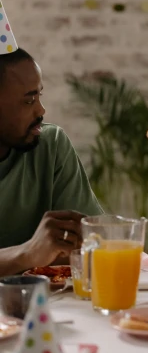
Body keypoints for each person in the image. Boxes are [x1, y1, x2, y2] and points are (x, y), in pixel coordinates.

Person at [0, 44, 102, 276]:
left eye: (39, 95)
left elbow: (91, 247)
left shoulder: (51, 146)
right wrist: (27, 253)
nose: (41, 110)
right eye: (29, 100)